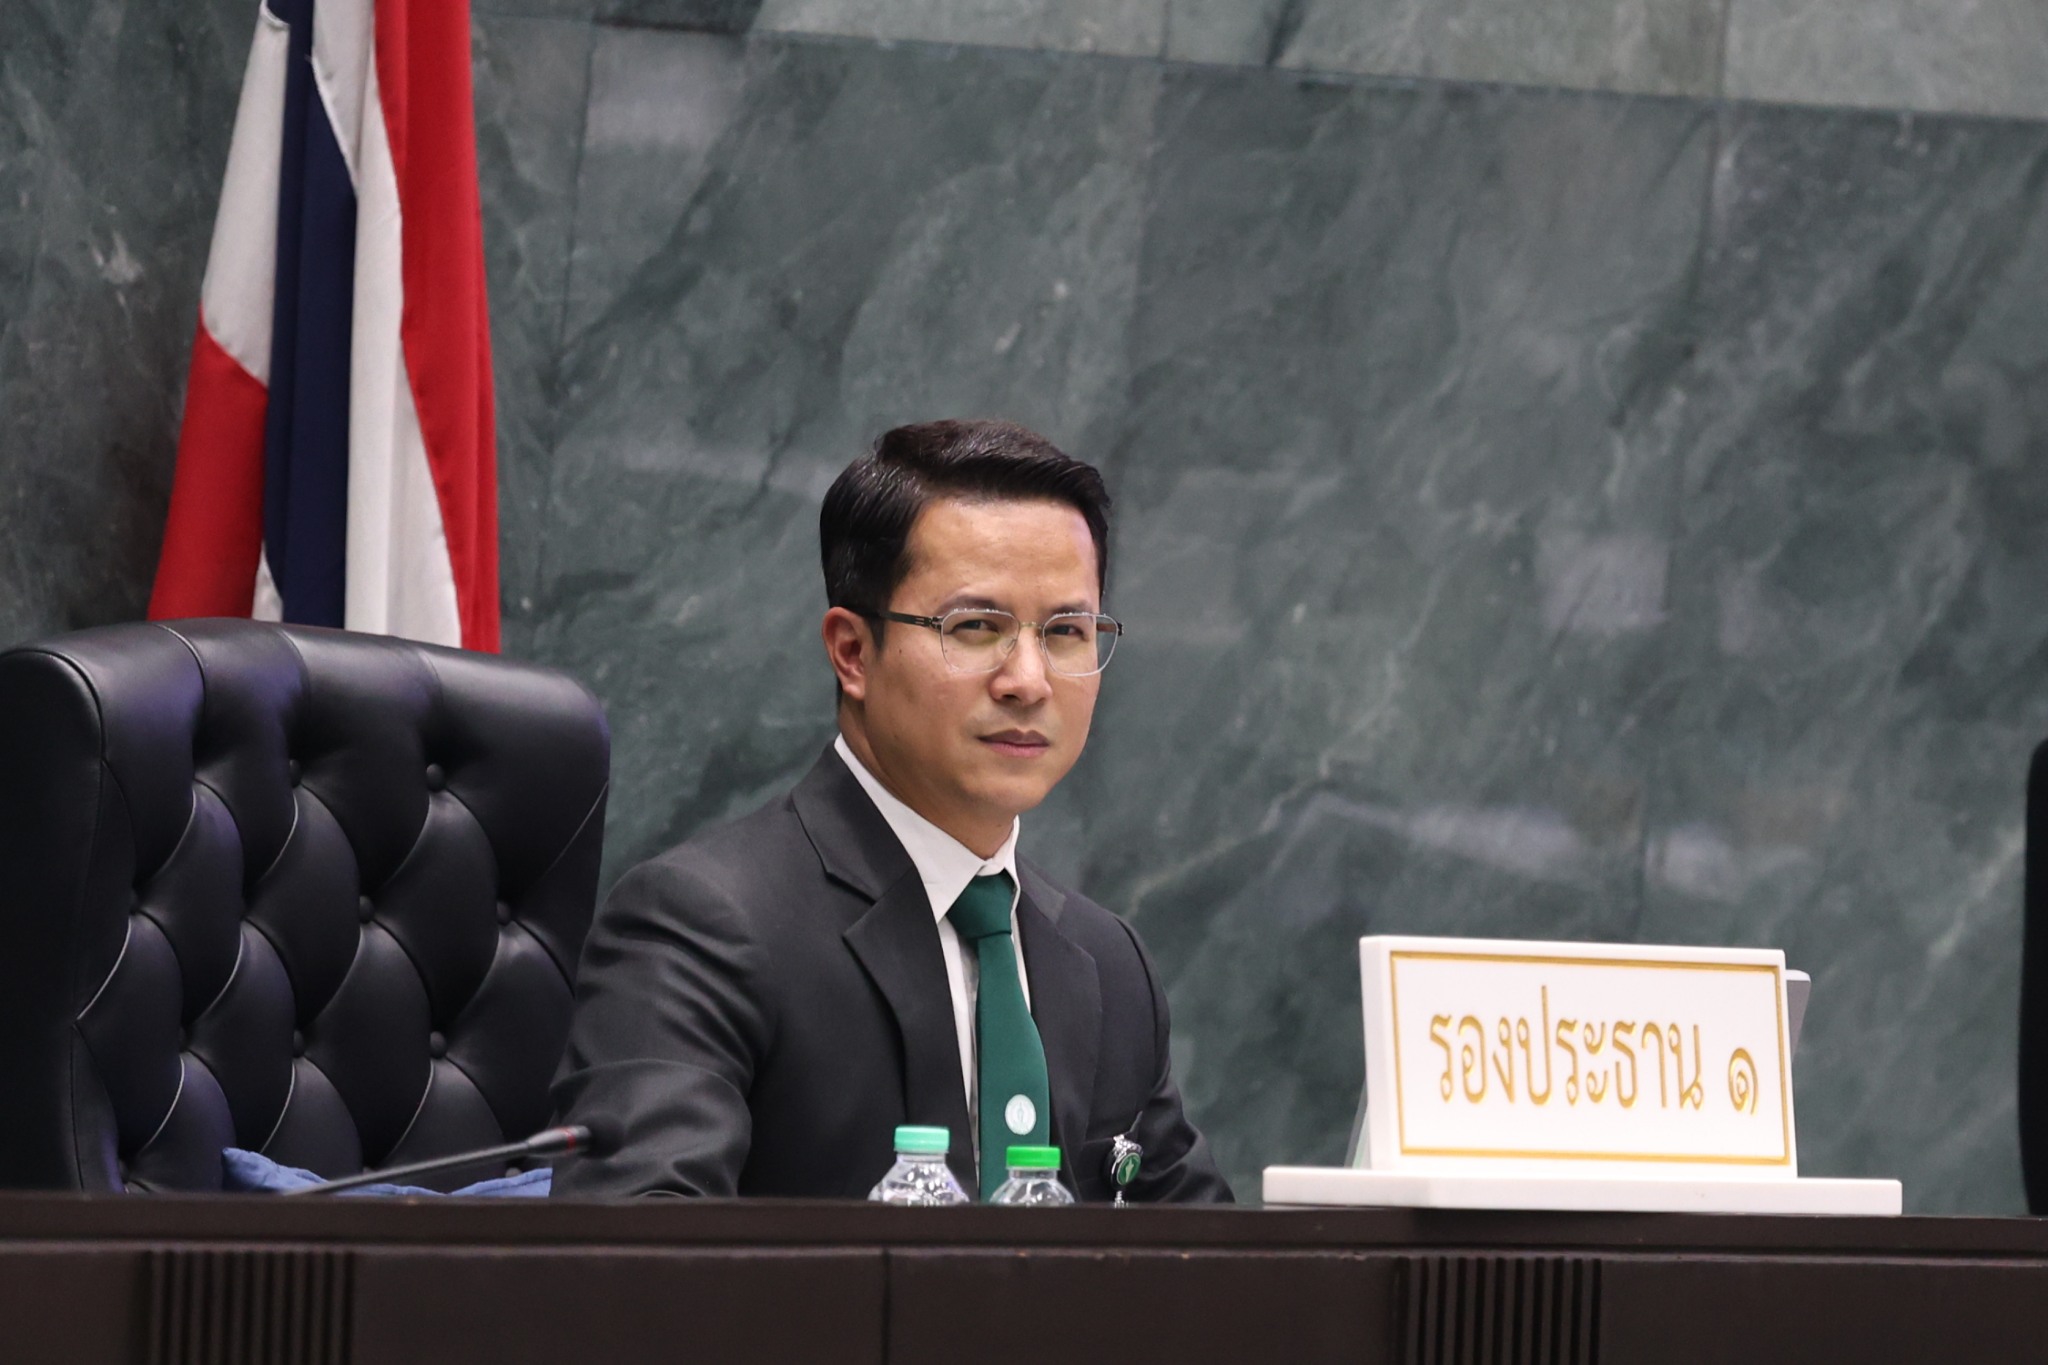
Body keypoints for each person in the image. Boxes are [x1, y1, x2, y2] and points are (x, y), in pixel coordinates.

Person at [551, 419, 1232, 1203]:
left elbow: (1208, 1260)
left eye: (1067, 632)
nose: (1028, 680)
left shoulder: (1110, 964)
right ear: (852, 652)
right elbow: (641, 1252)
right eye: (975, 627)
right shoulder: (702, 927)